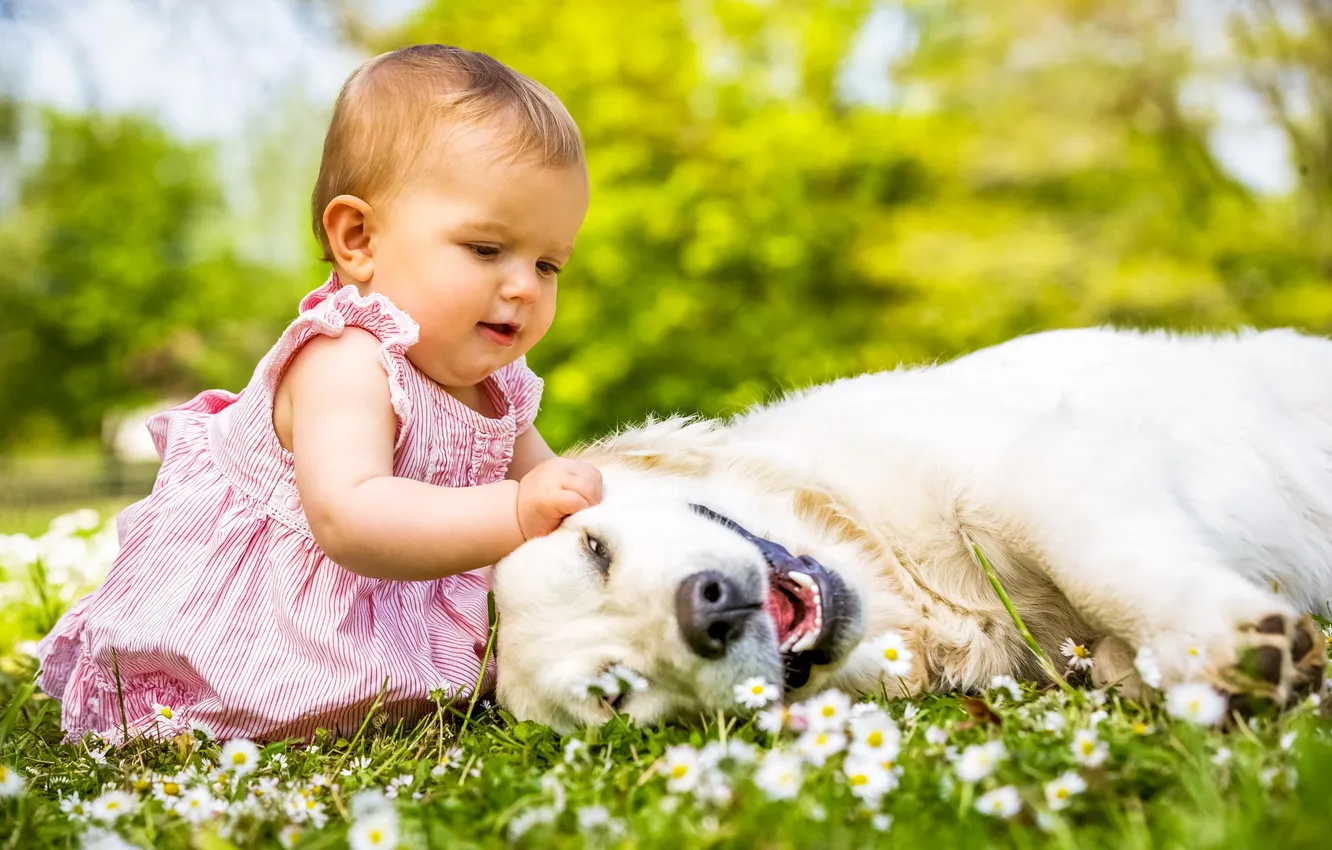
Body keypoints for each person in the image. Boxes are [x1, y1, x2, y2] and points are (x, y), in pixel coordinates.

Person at [38, 44, 602, 743]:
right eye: (486, 249)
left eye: (548, 264)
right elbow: (351, 517)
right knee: (231, 708)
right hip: (265, 631)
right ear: (358, 238)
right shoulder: (344, 358)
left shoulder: (498, 387)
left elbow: (551, 491)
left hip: (386, 619)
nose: (523, 287)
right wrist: (516, 510)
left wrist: (581, 507)